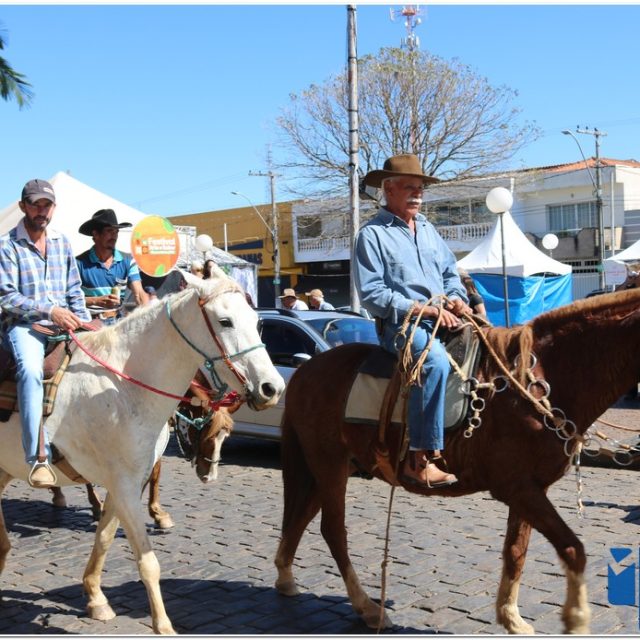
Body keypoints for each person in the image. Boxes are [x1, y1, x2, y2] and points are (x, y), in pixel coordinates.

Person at [354, 154, 472, 489]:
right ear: (389, 189)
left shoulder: (430, 231)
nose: (417, 194)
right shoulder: (371, 235)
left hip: (443, 317)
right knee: (433, 362)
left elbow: (450, 274)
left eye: (420, 188)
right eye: (410, 187)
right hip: (401, 326)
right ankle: (419, 458)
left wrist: (456, 298)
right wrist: (426, 310)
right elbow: (373, 295)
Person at [0, 179, 91, 488]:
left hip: (65, 322)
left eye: (47, 205)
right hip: (24, 325)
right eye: (35, 204)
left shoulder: (62, 242)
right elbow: (7, 298)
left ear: (54, 208)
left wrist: (84, 322)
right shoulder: (7, 245)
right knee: (29, 370)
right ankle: (36, 457)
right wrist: (50, 311)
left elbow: (74, 290)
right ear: (23, 206)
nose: (42, 211)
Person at [76, 209, 148, 325]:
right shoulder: (78, 263)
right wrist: (96, 301)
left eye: (116, 232)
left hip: (118, 322)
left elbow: (139, 293)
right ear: (96, 234)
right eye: (109, 231)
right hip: (89, 324)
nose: (114, 236)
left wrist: (149, 314)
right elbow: (69, 299)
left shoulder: (128, 261)